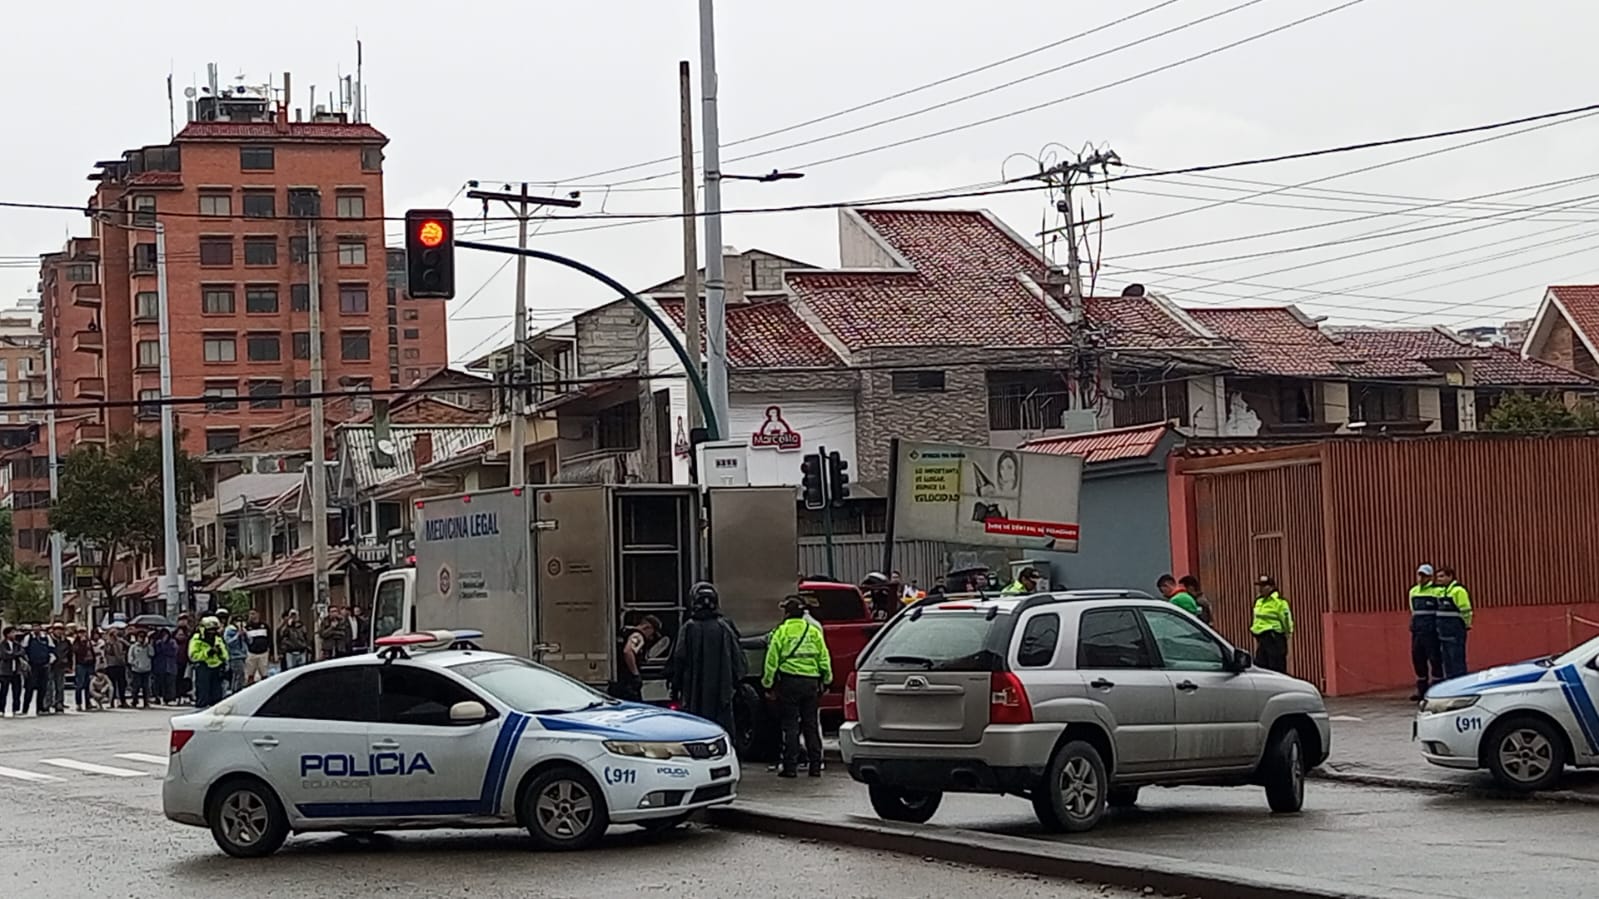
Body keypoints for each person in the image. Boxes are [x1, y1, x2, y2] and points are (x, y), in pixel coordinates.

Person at [763, 596, 832, 778]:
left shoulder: (781, 632)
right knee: (810, 725)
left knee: (791, 725)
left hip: (790, 683)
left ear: (787, 613)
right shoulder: (813, 631)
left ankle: (790, 767)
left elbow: (771, 661)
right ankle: (815, 766)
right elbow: (824, 658)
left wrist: (768, 684)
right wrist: (826, 680)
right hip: (811, 683)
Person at [668, 582, 746, 734]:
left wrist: (675, 683)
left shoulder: (689, 627)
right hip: (722, 691)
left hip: (693, 691)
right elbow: (738, 660)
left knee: (695, 725)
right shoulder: (725, 627)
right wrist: (737, 683)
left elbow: (679, 658)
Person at [1407, 564, 1445, 699]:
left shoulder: (1437, 591)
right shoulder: (1413, 591)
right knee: (1418, 659)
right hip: (1417, 631)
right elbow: (1413, 611)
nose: (1420, 578)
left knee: (1435, 659)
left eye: (1424, 575)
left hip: (1432, 631)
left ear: (1430, 577)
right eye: (1419, 575)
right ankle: (1421, 690)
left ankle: (1436, 689)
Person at [1433, 565, 1473, 679]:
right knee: (1447, 661)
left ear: (1450, 576)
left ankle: (1460, 684)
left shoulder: (1458, 591)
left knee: (1457, 660)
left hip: (1456, 631)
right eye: (1437, 577)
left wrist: (1466, 624)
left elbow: (1466, 609)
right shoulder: (1441, 592)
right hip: (1444, 632)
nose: (1439, 579)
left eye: (1441, 576)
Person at [1250, 575, 1294, 674]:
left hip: (1274, 637)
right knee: (1261, 666)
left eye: (1264, 586)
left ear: (1271, 587)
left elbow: (1286, 619)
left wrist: (1287, 632)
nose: (1261, 589)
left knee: (1275, 666)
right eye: (1260, 586)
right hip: (1262, 638)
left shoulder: (1279, 602)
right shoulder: (1259, 601)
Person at [615, 615, 661, 702]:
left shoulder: (625, 632)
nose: (651, 637)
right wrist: (635, 674)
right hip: (627, 681)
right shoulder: (638, 636)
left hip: (619, 679)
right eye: (653, 633)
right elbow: (628, 651)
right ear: (647, 627)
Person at [189, 616, 229, 708]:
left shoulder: (217, 639)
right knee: (203, 692)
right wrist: (208, 653)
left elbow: (225, 654)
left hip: (217, 667)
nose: (212, 632)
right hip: (203, 667)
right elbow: (193, 656)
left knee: (217, 694)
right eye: (210, 630)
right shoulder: (197, 640)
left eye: (214, 630)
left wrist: (220, 653)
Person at [24, 625, 55, 715]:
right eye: (34, 627)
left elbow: (51, 649)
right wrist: (27, 662)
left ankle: (40, 708)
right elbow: (24, 650)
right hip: (32, 666)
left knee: (43, 688)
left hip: (44, 665)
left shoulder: (46, 637)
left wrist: (51, 659)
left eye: (38, 627)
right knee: (29, 688)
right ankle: (25, 708)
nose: (36, 629)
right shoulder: (28, 637)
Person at [218, 611, 247, 695]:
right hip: (234, 655)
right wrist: (237, 635)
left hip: (242, 654)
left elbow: (249, 641)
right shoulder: (229, 630)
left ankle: (236, 689)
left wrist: (245, 634)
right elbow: (228, 642)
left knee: (238, 674)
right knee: (239, 673)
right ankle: (236, 690)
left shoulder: (242, 629)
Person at [242, 609, 272, 685]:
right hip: (252, 653)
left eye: (253, 614)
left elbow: (269, 638)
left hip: (263, 653)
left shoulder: (264, 626)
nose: (252, 616)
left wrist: (269, 649)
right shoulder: (247, 627)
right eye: (250, 614)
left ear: (258, 614)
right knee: (250, 674)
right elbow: (244, 640)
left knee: (264, 673)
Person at [101, 626, 129, 708]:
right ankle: (111, 701)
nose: (114, 636)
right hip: (111, 665)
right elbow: (105, 653)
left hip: (120, 665)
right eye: (112, 634)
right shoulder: (107, 643)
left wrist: (123, 655)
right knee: (111, 685)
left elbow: (128, 646)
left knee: (122, 684)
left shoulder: (120, 642)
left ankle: (122, 701)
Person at [70, 627, 96, 711]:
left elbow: (92, 653)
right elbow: (76, 651)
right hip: (80, 665)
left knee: (88, 685)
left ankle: (88, 702)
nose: (82, 634)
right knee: (79, 685)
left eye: (84, 632)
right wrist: (82, 643)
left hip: (89, 664)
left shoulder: (89, 642)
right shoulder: (76, 643)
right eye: (80, 633)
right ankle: (78, 703)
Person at [127, 629, 154, 709]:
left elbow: (152, 654)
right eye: (140, 637)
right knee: (136, 686)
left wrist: (148, 645)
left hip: (146, 669)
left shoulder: (148, 647)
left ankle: (146, 702)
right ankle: (134, 701)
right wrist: (135, 664)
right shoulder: (133, 647)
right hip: (136, 670)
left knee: (146, 687)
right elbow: (130, 658)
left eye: (143, 637)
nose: (141, 638)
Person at [152, 628, 179, 705]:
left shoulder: (172, 642)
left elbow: (173, 652)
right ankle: (158, 697)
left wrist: (164, 646)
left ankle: (169, 698)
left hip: (170, 666)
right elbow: (155, 652)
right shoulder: (157, 643)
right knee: (160, 683)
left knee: (170, 683)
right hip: (159, 666)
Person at [48, 623, 71, 713]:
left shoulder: (66, 641)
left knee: (60, 686)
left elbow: (69, 654)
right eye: (57, 629)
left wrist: (69, 665)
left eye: (61, 629)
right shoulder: (48, 639)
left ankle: (59, 703)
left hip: (61, 665)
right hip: (50, 665)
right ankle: (48, 703)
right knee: (49, 686)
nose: (59, 631)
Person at [0, 626, 23, 718]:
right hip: (5, 672)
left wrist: (13, 654)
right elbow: (5, 655)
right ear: (7, 634)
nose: (14, 634)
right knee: (3, 691)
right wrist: (15, 655)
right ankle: (1, 709)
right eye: (12, 633)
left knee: (17, 691)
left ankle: (16, 709)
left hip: (16, 671)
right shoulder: (2, 645)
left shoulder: (17, 644)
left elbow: (22, 652)